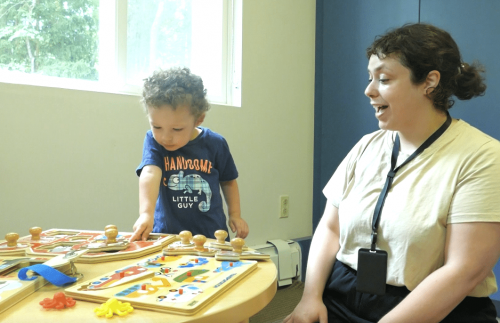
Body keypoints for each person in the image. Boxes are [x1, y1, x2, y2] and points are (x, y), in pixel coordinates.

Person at [284, 23, 500, 323]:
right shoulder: (366, 146)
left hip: (435, 307)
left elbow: (464, 270)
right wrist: (310, 297)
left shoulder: (483, 157)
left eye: (383, 79)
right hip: (344, 293)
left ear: (430, 82)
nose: (369, 90)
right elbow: (330, 228)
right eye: (370, 78)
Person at [129, 67, 249, 243]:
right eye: (157, 127)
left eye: (177, 129)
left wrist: (235, 214)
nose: (165, 137)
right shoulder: (153, 141)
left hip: (212, 236)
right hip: (167, 236)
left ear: (199, 119)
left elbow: (228, 181)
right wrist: (146, 214)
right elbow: (150, 173)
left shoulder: (215, 143)